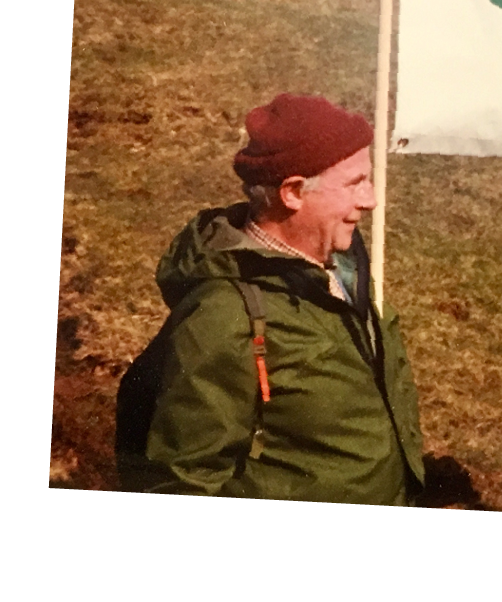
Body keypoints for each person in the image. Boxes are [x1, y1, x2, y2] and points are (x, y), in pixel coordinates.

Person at [119, 93, 425, 504]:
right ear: (294, 192)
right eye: (355, 184)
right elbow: (184, 482)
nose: (370, 200)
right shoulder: (222, 316)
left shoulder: (348, 264)